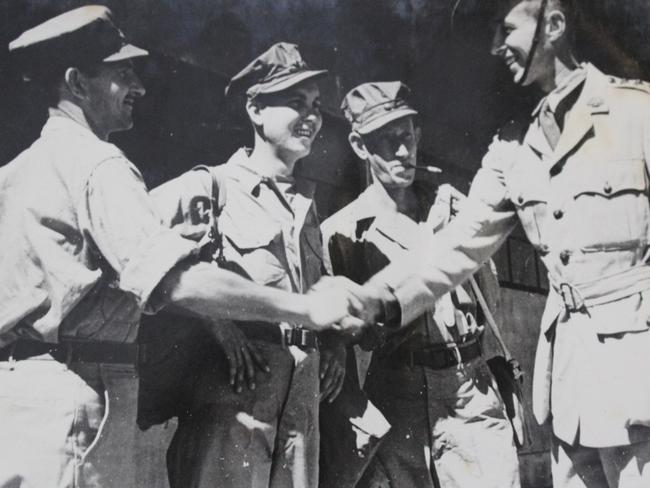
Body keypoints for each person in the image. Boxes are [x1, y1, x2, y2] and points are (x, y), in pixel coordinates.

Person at [0, 9, 360, 488]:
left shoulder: (19, 170)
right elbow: (176, 282)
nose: (140, 87)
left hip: (22, 396)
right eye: (121, 73)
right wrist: (302, 309)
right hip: (78, 394)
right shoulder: (100, 165)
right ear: (76, 82)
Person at [357, 1, 650, 487]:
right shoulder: (513, 148)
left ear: (553, 25)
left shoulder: (636, 112)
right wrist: (378, 301)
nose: (496, 46)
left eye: (505, 28)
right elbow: (458, 245)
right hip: (571, 394)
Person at [152, 42, 349, 488]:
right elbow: (136, 256)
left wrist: (333, 343)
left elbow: (316, 291)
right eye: (296, 103)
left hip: (301, 409)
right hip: (232, 407)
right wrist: (215, 322)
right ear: (256, 110)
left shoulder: (307, 208)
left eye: (316, 106)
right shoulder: (210, 187)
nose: (312, 117)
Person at [320, 81, 520, 488]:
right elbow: (337, 340)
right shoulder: (342, 232)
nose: (402, 151)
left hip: (470, 388)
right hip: (397, 398)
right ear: (360, 146)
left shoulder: (453, 209)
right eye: (388, 140)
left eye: (408, 136)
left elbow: (490, 295)